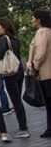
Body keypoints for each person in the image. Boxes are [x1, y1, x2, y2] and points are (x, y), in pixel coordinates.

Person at [0, 17, 28, 138]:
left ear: (4, 26)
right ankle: (23, 127)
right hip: (18, 71)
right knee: (18, 101)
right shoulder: (15, 39)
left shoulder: (4, 39)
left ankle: (24, 129)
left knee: (16, 101)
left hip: (11, 73)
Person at [27, 9, 51, 138]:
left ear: (38, 20)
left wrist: (34, 66)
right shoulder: (49, 31)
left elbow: (40, 53)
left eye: (33, 18)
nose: (31, 21)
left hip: (46, 73)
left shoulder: (41, 33)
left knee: (48, 102)